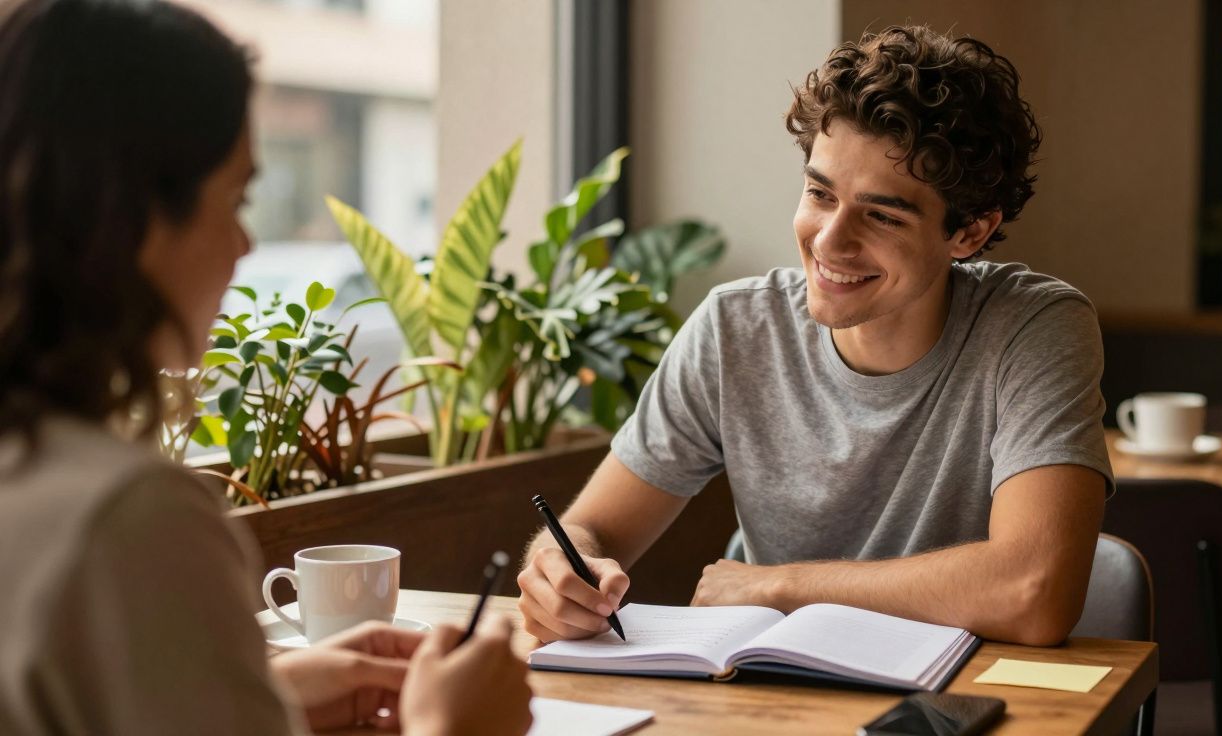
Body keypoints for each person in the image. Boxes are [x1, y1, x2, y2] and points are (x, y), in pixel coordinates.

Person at [0, 1, 532, 734]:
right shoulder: (128, 518)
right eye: (236, 198)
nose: (247, 244)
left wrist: (261, 694)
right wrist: (455, 727)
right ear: (135, 219)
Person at [518, 25, 1112, 648]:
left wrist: (777, 586)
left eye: (882, 215)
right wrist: (563, 571)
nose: (830, 240)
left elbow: (1035, 592)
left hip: (958, 703)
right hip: (774, 693)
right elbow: (592, 531)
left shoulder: (1033, 328)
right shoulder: (735, 330)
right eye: (819, 193)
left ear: (969, 233)